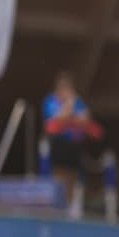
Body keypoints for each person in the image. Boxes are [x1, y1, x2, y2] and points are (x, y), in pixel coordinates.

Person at [42, 71, 101, 205]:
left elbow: (86, 119)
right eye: (63, 87)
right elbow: (57, 119)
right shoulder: (51, 101)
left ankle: (71, 203)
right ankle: (58, 203)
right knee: (59, 174)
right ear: (58, 88)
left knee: (73, 174)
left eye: (68, 87)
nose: (66, 90)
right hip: (58, 143)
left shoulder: (77, 101)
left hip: (74, 143)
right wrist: (69, 108)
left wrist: (71, 116)